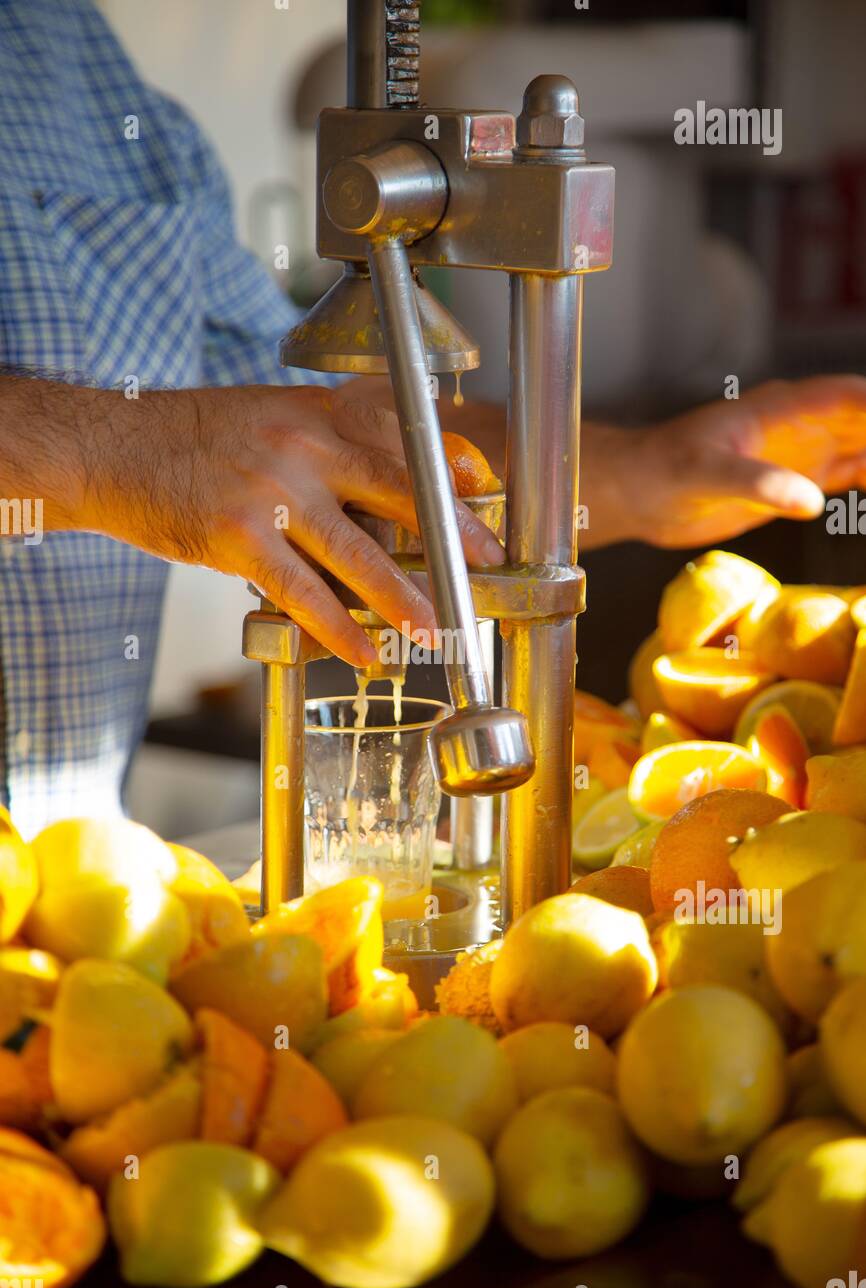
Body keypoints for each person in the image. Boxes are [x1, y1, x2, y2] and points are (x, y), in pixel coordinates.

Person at [1, 0, 864, 835]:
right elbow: (190, 443)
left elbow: (336, 429)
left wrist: (642, 472)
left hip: (78, 910)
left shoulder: (83, 71)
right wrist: (110, 454)